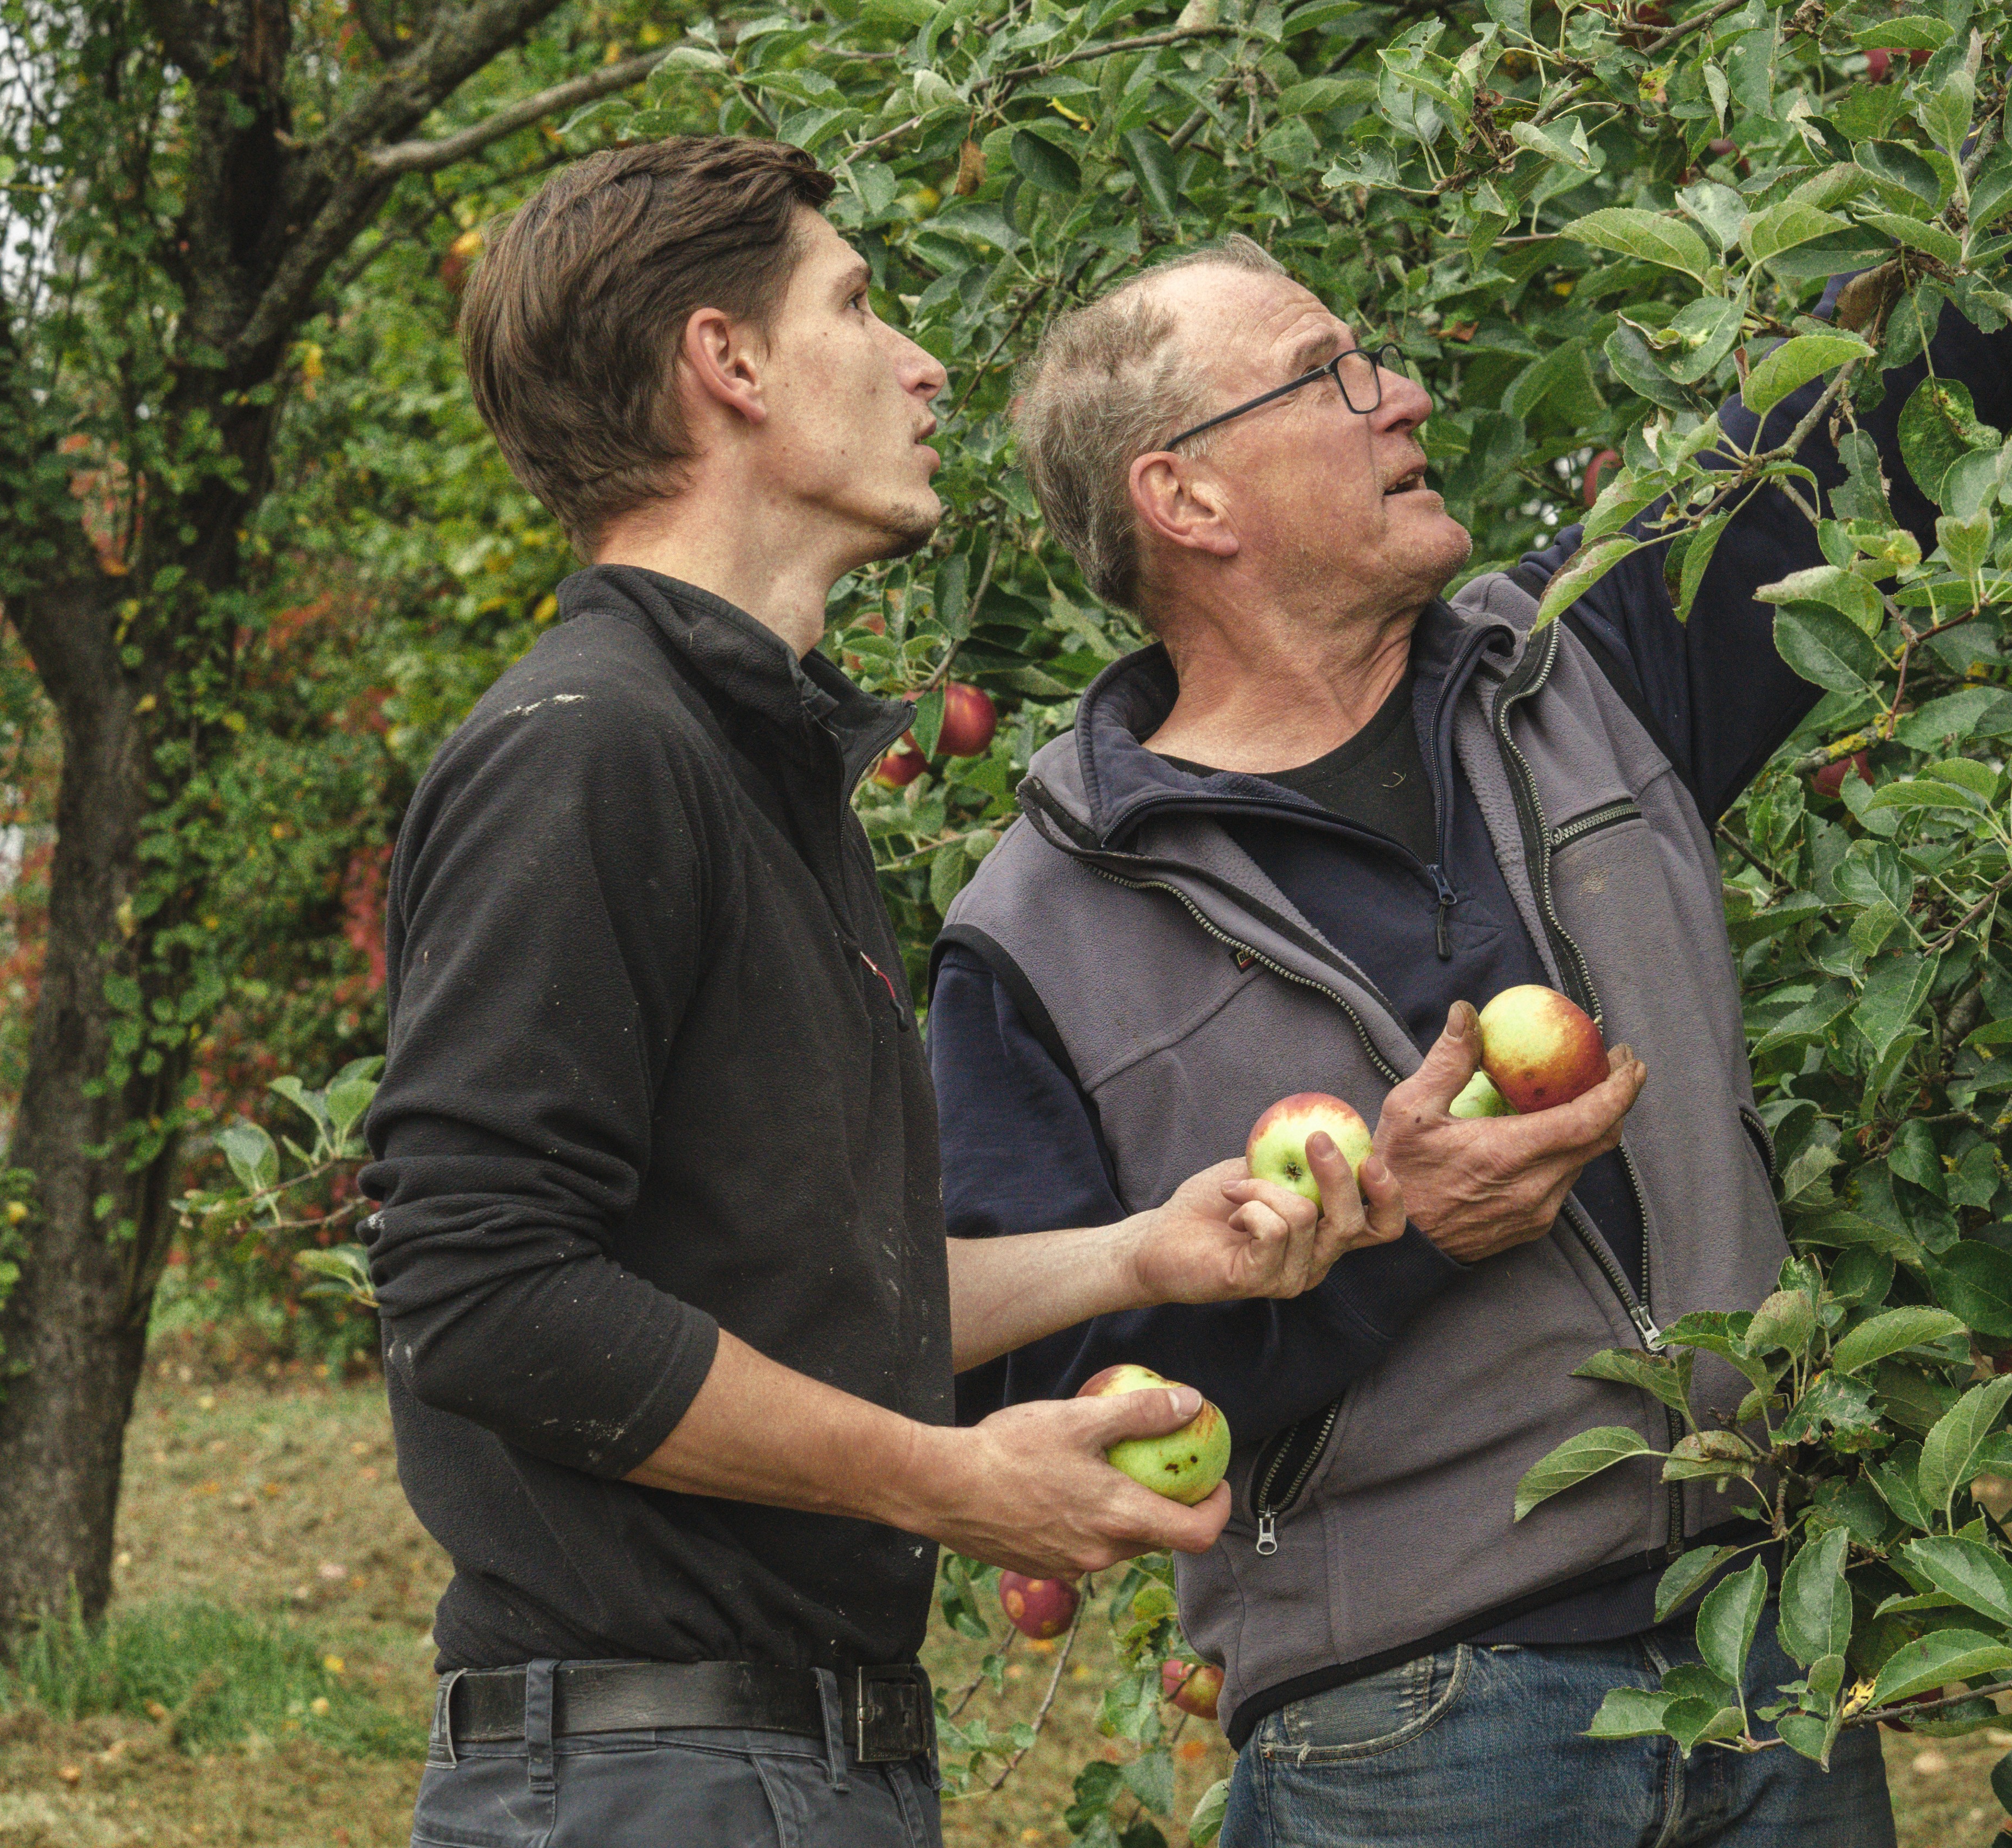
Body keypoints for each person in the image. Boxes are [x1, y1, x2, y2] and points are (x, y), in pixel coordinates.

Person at [930, 136, 2012, 1846]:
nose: (1399, 394)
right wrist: (1384, 1235)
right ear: (1188, 499)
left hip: (1764, 1642)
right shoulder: (1038, 931)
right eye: (1328, 375)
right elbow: (1035, 1431)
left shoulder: (1578, 661)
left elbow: (1875, 427)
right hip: (1415, 1717)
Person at [361, 136, 1401, 1848]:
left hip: (782, 1765)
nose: (922, 361)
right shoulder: (591, 750)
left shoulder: (760, 771)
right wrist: (954, 1481)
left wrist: (1144, 1253)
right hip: (656, 1774)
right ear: (730, 364)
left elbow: (802, 1288)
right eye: (857, 302)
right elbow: (479, 1292)